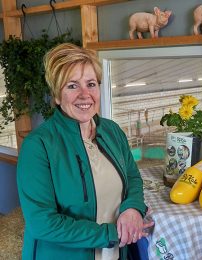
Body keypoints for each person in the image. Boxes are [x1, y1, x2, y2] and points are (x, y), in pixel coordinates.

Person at [17, 43, 153, 260]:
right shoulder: (38, 146)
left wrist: (133, 209)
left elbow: (133, 178)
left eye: (91, 84)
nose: (85, 94)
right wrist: (111, 234)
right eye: (72, 86)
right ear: (57, 96)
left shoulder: (112, 131)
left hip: (116, 254)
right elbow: (43, 223)